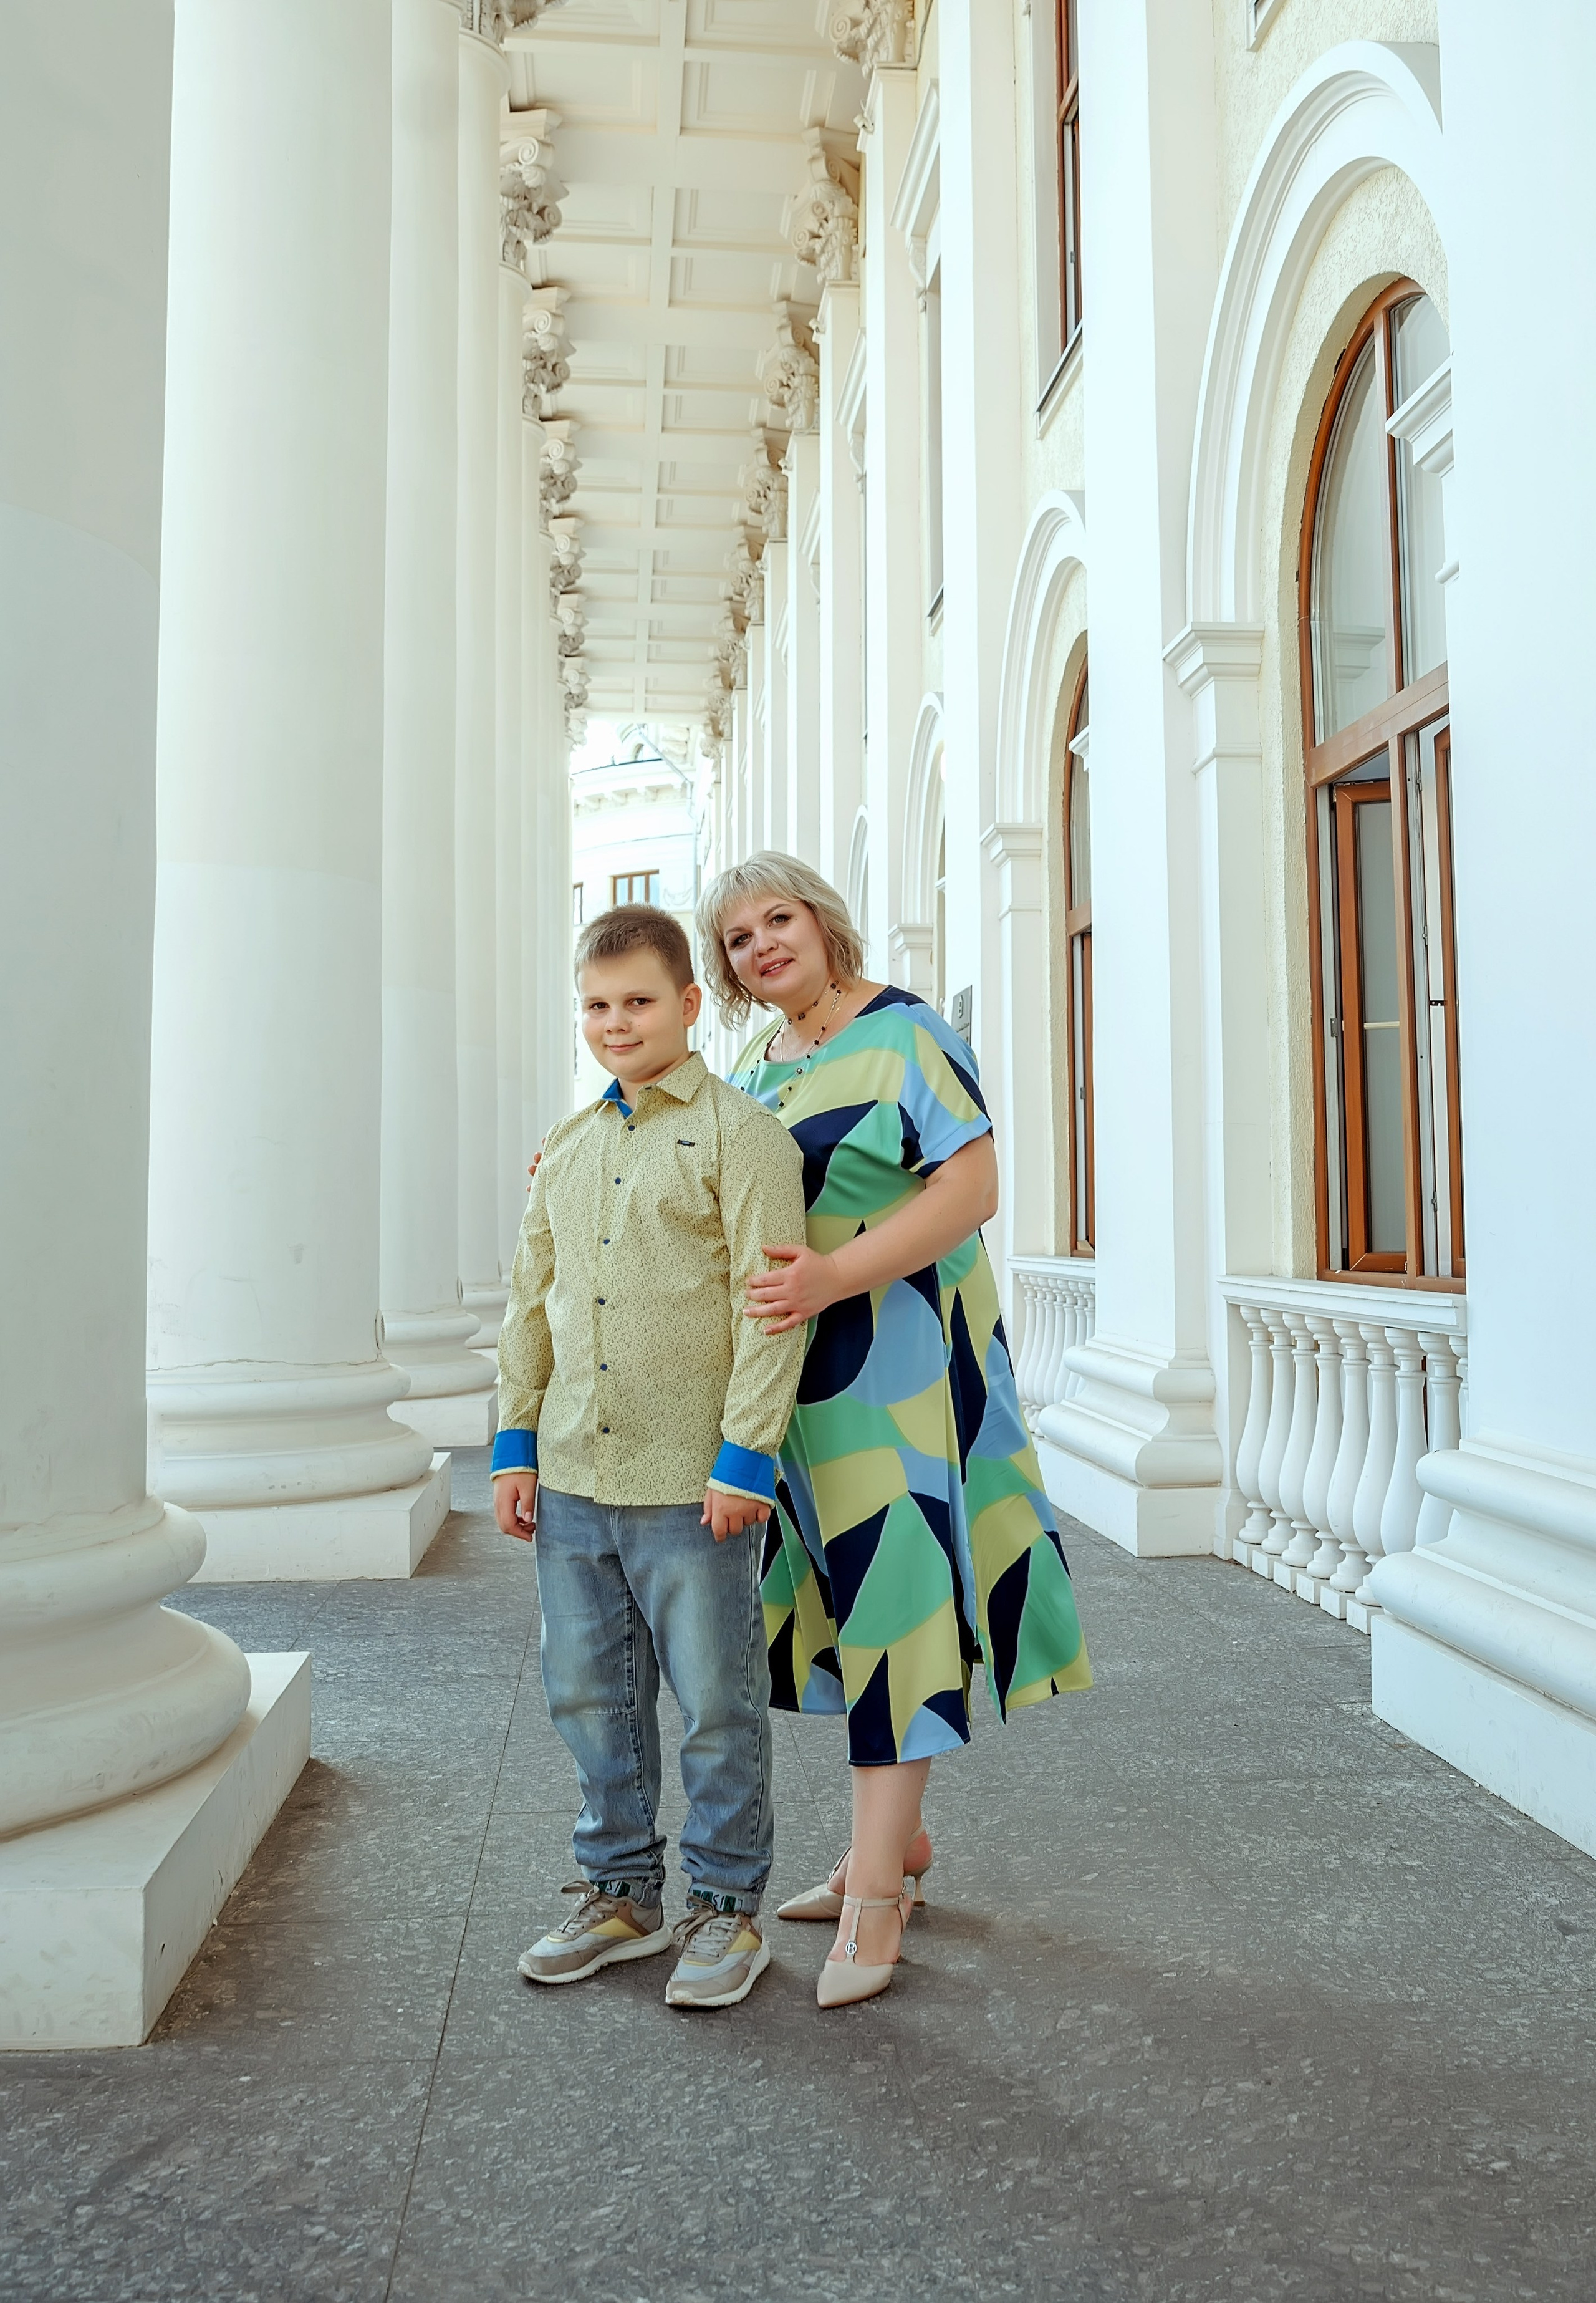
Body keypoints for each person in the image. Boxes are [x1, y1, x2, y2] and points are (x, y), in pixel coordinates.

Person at [696, 852, 1092, 2009]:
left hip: (903, 1367)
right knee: (842, 1606)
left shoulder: (908, 1032)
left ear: (824, 922)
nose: (763, 945)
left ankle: (877, 1889)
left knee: (898, 1599)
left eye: (779, 919)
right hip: (801, 1388)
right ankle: (897, 1843)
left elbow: (971, 1188)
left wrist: (833, 1276)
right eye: (738, 937)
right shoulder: (755, 1067)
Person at [491, 904, 807, 2010]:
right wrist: (515, 1442)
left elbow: (773, 1306)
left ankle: (725, 1909)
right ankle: (621, 1893)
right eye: (596, 1004)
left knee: (718, 1702)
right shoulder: (568, 1147)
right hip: (574, 1475)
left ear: (689, 1004)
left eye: (638, 1001)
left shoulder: (742, 1137)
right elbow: (531, 1302)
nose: (616, 1022)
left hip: (694, 1484)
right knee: (590, 1695)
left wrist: (746, 1454)